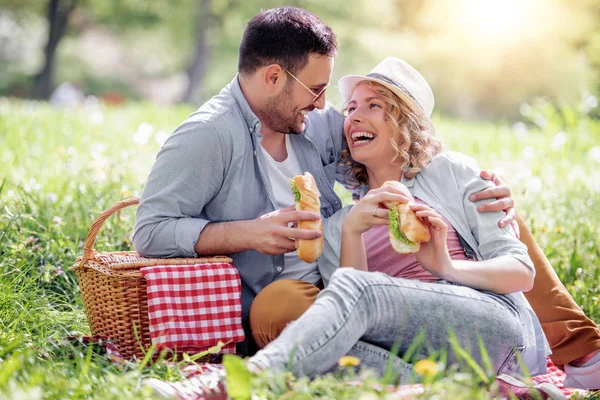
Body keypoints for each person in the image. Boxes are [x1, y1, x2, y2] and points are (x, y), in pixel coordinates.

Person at [133, 7, 600, 387]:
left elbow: (398, 146)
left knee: (494, 213)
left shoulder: (320, 125)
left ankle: (580, 347)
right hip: (314, 301)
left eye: (363, 106)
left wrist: (478, 198)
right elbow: (150, 232)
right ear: (274, 77)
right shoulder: (209, 138)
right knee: (296, 306)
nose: (331, 111)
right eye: (323, 93)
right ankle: (433, 386)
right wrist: (252, 233)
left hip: (463, 310)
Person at [246, 57, 551, 380]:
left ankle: (238, 381)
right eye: (351, 109)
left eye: (373, 106)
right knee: (324, 345)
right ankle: (434, 388)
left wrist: (447, 266)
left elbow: (522, 272)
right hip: (419, 354)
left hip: (490, 327)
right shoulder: (340, 225)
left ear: (405, 121)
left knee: (341, 314)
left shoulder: (450, 171)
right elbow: (348, 322)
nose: (355, 118)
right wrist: (352, 232)